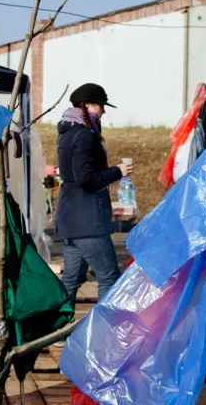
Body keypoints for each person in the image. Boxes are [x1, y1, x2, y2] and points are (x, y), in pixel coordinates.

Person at [55, 83, 134, 306]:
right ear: (88, 105)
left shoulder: (67, 132)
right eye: (100, 105)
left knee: (71, 279)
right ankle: (106, 334)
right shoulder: (84, 136)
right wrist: (118, 171)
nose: (103, 111)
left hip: (71, 219)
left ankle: (53, 330)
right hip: (87, 221)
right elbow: (86, 179)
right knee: (109, 277)